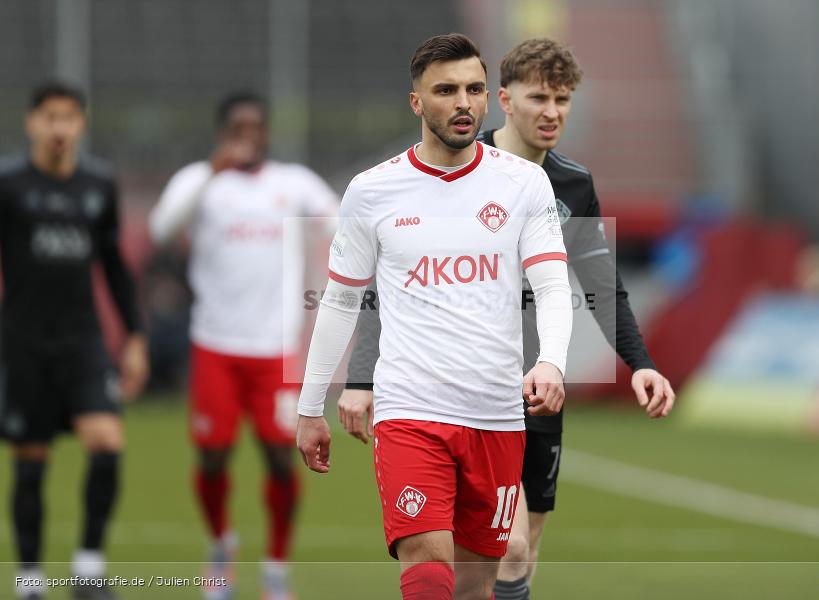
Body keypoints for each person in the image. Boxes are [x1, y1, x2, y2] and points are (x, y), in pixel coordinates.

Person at [338, 38, 676, 599]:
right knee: (503, 548)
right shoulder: (454, 162)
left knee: (525, 546)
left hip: (536, 388)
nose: (551, 112)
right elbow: (389, 282)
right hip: (450, 388)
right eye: (538, 97)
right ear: (504, 101)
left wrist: (640, 363)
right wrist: (362, 376)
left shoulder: (571, 184)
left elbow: (599, 282)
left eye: (562, 99)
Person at [296, 33, 574, 600]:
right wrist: (309, 407)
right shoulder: (372, 191)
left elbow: (550, 284)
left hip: (496, 414)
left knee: (475, 583)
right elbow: (342, 300)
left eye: (474, 89)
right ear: (417, 103)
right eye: (445, 90)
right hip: (410, 410)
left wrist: (551, 363)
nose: (463, 102)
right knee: (426, 558)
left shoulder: (524, 183)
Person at [149, 92, 338, 600]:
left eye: (255, 126)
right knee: (213, 459)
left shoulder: (293, 183)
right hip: (214, 343)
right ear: (221, 131)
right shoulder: (199, 180)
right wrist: (214, 168)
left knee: (281, 460)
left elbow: (341, 225)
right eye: (237, 127)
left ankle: (276, 566)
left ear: (266, 131)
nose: (247, 135)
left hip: (275, 350)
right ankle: (220, 545)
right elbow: (161, 229)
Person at [0, 82, 149, 600]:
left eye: (68, 117)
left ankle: (88, 567)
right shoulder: (9, 184)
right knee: (31, 458)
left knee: (106, 441)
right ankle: (30, 579)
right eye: (49, 117)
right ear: (31, 123)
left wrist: (133, 335)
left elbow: (113, 266)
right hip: (22, 342)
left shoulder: (98, 185)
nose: (59, 127)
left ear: (81, 123)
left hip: (83, 341)